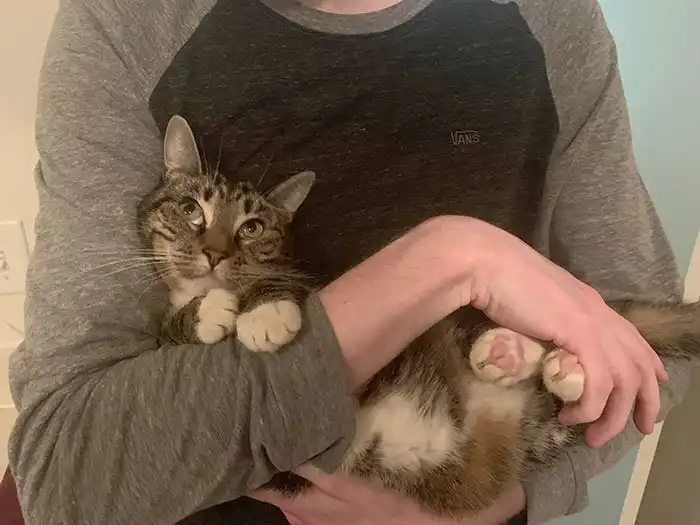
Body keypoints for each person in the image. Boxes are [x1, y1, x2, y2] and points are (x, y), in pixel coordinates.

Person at [3, 0, 689, 524]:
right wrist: (453, 258)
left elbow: (655, 357)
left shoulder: (551, 20)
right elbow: (63, 478)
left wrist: (500, 501)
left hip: (471, 459)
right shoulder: (128, 20)